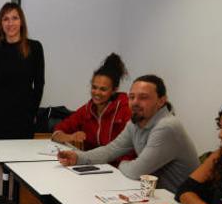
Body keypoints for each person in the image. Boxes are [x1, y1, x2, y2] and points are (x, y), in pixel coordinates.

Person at [57, 75, 199, 192]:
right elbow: (111, 150)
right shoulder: (136, 122)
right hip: (154, 195)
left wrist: (122, 163)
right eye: (131, 97)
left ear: (161, 101)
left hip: (179, 203)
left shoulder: (167, 126)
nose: (135, 102)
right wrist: (78, 157)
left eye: (143, 97)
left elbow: (136, 171)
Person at [51, 53, 132, 164]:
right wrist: (69, 137)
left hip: (119, 170)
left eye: (103, 89)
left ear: (114, 90)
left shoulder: (126, 110)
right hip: (91, 166)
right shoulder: (86, 110)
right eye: (94, 87)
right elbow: (56, 132)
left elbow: (131, 148)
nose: (97, 93)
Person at [0, 2, 45, 140]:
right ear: (1, 24)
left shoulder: (35, 48)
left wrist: (32, 112)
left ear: (21, 21)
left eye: (15, 18)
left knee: (20, 159)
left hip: (24, 118)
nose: (10, 23)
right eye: (5, 19)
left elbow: (39, 84)